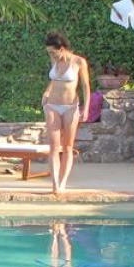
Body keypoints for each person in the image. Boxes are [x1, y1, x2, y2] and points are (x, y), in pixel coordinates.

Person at [41, 32, 92, 195]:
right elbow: (53, 80)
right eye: (49, 52)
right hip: (52, 106)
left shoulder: (78, 62)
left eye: (53, 52)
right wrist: (46, 92)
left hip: (71, 107)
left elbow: (86, 87)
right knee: (54, 146)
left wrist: (86, 108)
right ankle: (55, 184)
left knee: (68, 147)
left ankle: (63, 183)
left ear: (62, 48)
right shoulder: (54, 60)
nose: (51, 55)